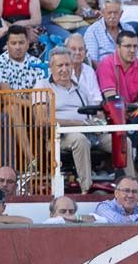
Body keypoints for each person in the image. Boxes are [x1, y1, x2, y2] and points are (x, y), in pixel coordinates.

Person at [47, 48, 112, 193]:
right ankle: (86, 189)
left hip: (89, 132)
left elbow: (95, 112)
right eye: (60, 65)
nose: (64, 69)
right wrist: (80, 124)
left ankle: (130, 184)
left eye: (67, 65)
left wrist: (99, 121)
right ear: (51, 68)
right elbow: (43, 120)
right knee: (80, 139)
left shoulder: (81, 89)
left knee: (120, 140)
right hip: (59, 136)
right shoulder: (44, 86)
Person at [0, 25, 46, 90]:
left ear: (27, 44)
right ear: (7, 45)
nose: (17, 47)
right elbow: (6, 94)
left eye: (21, 43)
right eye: (13, 43)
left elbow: (41, 92)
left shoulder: (36, 63)